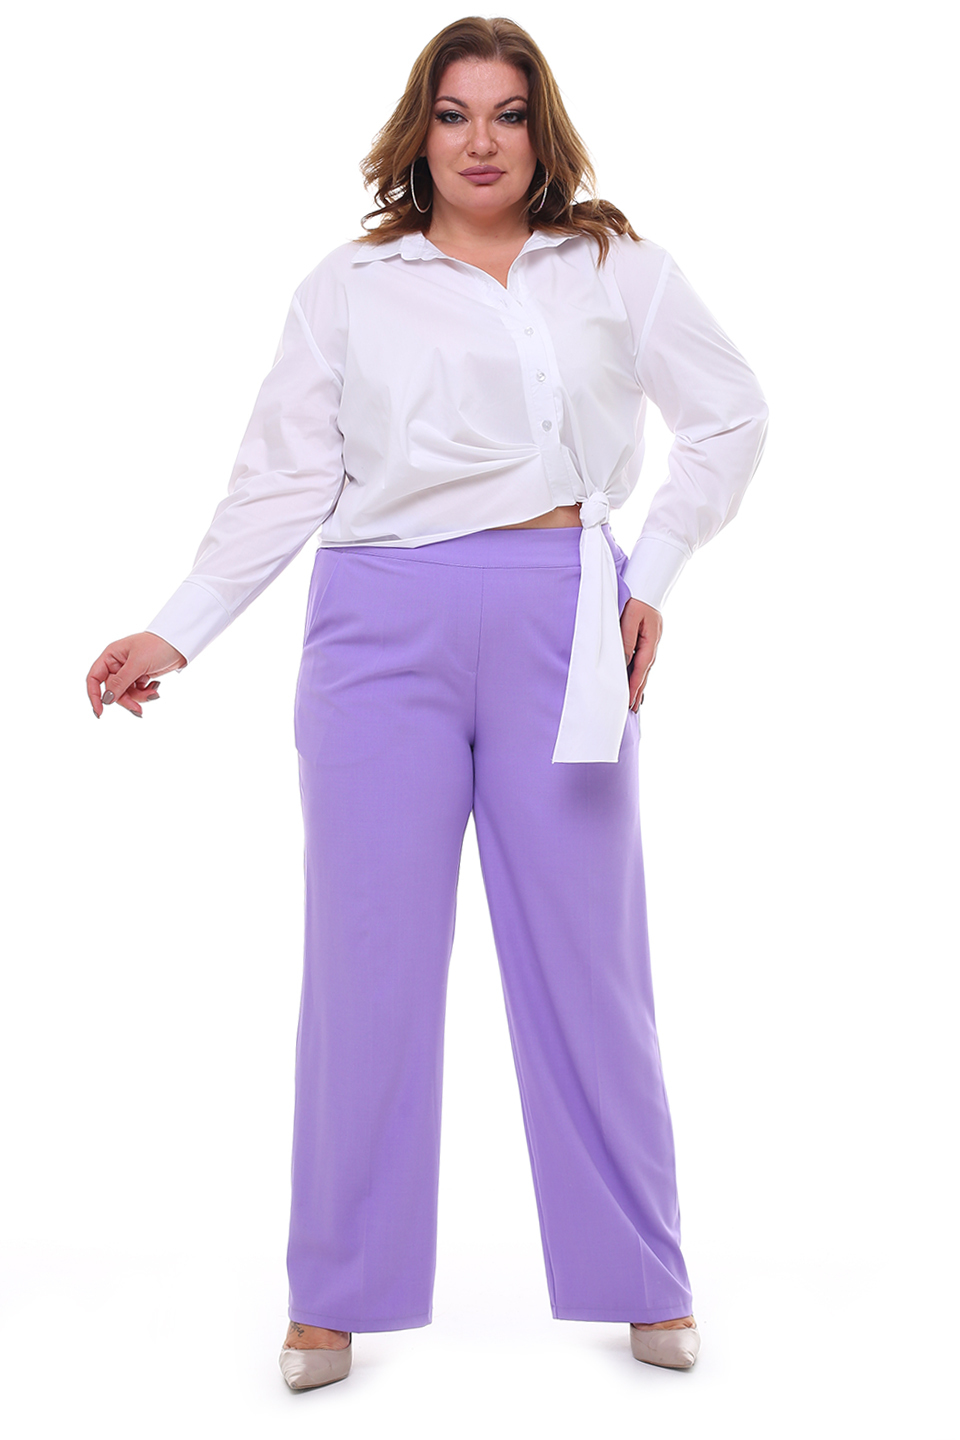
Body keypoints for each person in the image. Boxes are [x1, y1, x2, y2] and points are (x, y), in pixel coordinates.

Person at [86, 15, 769, 1391]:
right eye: (455, 114)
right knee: (367, 965)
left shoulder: (616, 269)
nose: (480, 141)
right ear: (421, 130)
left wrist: (654, 573)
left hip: (565, 621)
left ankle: (644, 1274)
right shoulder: (350, 285)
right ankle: (332, 1294)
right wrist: (181, 626)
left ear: (542, 130)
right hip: (377, 631)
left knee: (590, 964)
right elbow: (283, 475)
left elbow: (733, 415)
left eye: (507, 114)